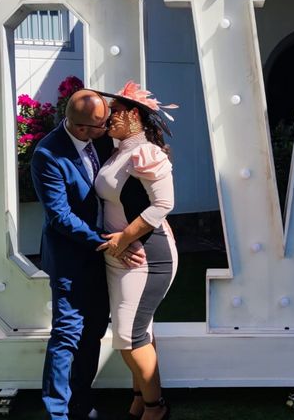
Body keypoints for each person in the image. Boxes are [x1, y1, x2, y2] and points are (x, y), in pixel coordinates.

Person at [31, 89, 145, 420]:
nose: (107, 127)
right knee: (67, 334)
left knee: (93, 331)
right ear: (82, 128)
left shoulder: (101, 140)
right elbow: (59, 216)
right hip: (71, 258)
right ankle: (58, 413)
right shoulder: (47, 155)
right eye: (101, 125)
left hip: (103, 257)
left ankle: (81, 403)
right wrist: (109, 242)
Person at [94, 81, 178, 420]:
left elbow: (164, 204)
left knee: (129, 336)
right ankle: (141, 399)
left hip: (147, 256)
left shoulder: (147, 153)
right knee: (139, 331)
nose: (107, 118)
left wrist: (122, 239)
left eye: (113, 112)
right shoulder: (117, 151)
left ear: (132, 114)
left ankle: (155, 408)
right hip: (121, 254)